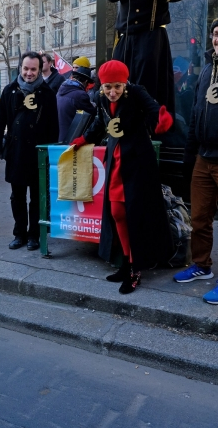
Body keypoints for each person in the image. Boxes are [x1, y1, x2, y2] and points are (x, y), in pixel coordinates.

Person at [72, 60, 174, 293]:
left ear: (125, 83)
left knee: (134, 215)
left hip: (138, 162)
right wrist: (84, 139)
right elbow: (100, 122)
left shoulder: (136, 92)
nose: (112, 92)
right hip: (116, 160)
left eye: (117, 86)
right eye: (108, 87)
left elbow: (153, 109)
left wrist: (162, 120)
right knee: (117, 212)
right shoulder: (100, 97)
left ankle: (135, 268)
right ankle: (127, 262)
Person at [173, 9, 218, 304]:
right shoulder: (207, 68)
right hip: (203, 158)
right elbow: (197, 114)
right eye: (215, 34)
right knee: (199, 218)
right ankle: (201, 266)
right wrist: (190, 156)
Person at [0, 51, 59, 251]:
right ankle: (19, 233)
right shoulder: (10, 90)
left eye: (33, 69)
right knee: (17, 196)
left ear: (40, 70)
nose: (29, 73)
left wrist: (49, 154)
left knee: (37, 198)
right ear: (21, 68)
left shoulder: (47, 93)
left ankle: (34, 235)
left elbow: (53, 128)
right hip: (16, 152)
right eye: (26, 68)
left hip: (37, 155)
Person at [56, 64, 97, 141]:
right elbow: (93, 115)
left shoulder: (60, 91)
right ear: (85, 81)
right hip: (74, 139)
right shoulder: (81, 95)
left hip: (61, 138)